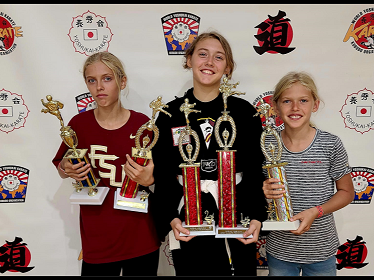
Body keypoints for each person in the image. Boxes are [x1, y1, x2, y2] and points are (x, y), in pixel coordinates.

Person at [151, 31, 268, 276]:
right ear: (189, 59)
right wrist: (171, 217)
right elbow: (163, 173)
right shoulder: (170, 114)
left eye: (219, 57)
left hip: (238, 214)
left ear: (228, 68)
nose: (209, 63)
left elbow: (257, 169)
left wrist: (256, 217)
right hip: (188, 217)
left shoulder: (244, 112)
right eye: (202, 54)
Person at [50, 51, 159, 276]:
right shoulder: (78, 124)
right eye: (92, 80)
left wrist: (150, 178)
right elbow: (61, 165)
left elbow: (161, 172)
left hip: (140, 236)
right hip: (97, 238)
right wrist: (66, 169)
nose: (99, 86)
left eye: (107, 78)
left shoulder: (143, 124)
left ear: (122, 81)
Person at [260, 72, 355, 276]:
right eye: (287, 101)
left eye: (303, 100)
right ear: (275, 107)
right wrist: (262, 190)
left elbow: (347, 192)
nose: (295, 108)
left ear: (315, 105)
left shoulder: (330, 144)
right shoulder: (266, 144)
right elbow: (255, 190)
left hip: (321, 251)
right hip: (280, 250)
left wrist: (317, 211)